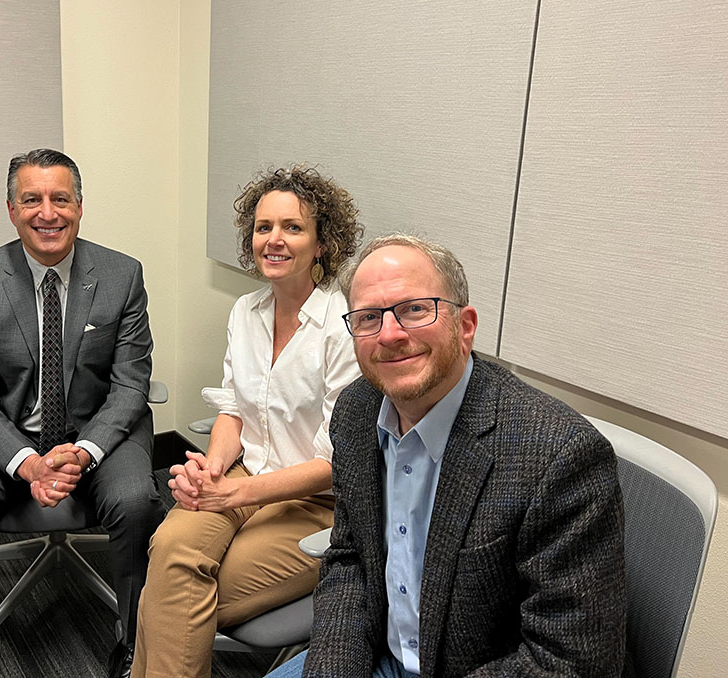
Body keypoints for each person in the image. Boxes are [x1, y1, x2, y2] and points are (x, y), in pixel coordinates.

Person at [267, 233, 630, 677]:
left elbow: (570, 661)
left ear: (465, 326)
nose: (391, 335)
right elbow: (352, 559)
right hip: (383, 655)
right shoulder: (357, 412)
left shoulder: (557, 456)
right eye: (367, 318)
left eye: (415, 309)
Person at [0, 149, 164, 678]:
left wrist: (84, 452)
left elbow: (131, 385)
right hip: (6, 435)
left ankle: (137, 648)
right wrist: (27, 462)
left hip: (99, 434)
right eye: (32, 199)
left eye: (60, 198)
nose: (48, 212)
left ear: (80, 206)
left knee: (138, 503)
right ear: (11, 209)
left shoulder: (121, 274)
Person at [130, 166, 364, 678]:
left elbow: (335, 465)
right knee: (168, 551)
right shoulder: (245, 311)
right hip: (241, 477)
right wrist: (210, 470)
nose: (273, 240)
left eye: (292, 227)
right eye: (263, 227)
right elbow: (233, 410)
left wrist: (231, 496)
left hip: (315, 503)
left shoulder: (342, 328)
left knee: (175, 594)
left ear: (323, 243)